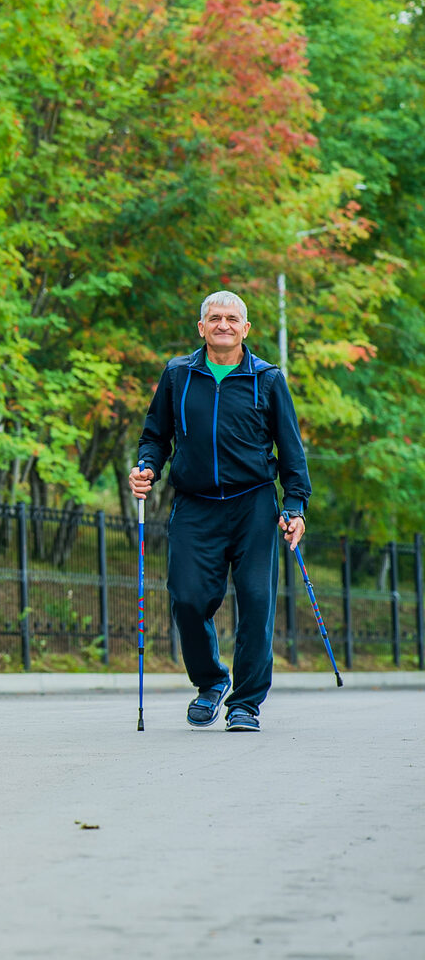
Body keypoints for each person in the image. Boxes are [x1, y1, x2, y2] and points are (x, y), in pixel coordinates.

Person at [130, 290, 310, 732]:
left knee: (256, 602)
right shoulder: (177, 375)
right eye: (215, 318)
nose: (224, 325)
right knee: (188, 600)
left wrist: (295, 505)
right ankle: (211, 682)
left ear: (246, 329)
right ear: (201, 327)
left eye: (232, 318)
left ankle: (245, 703)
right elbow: (155, 436)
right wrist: (147, 467)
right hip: (195, 506)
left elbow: (291, 452)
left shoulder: (268, 379)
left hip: (253, 506)